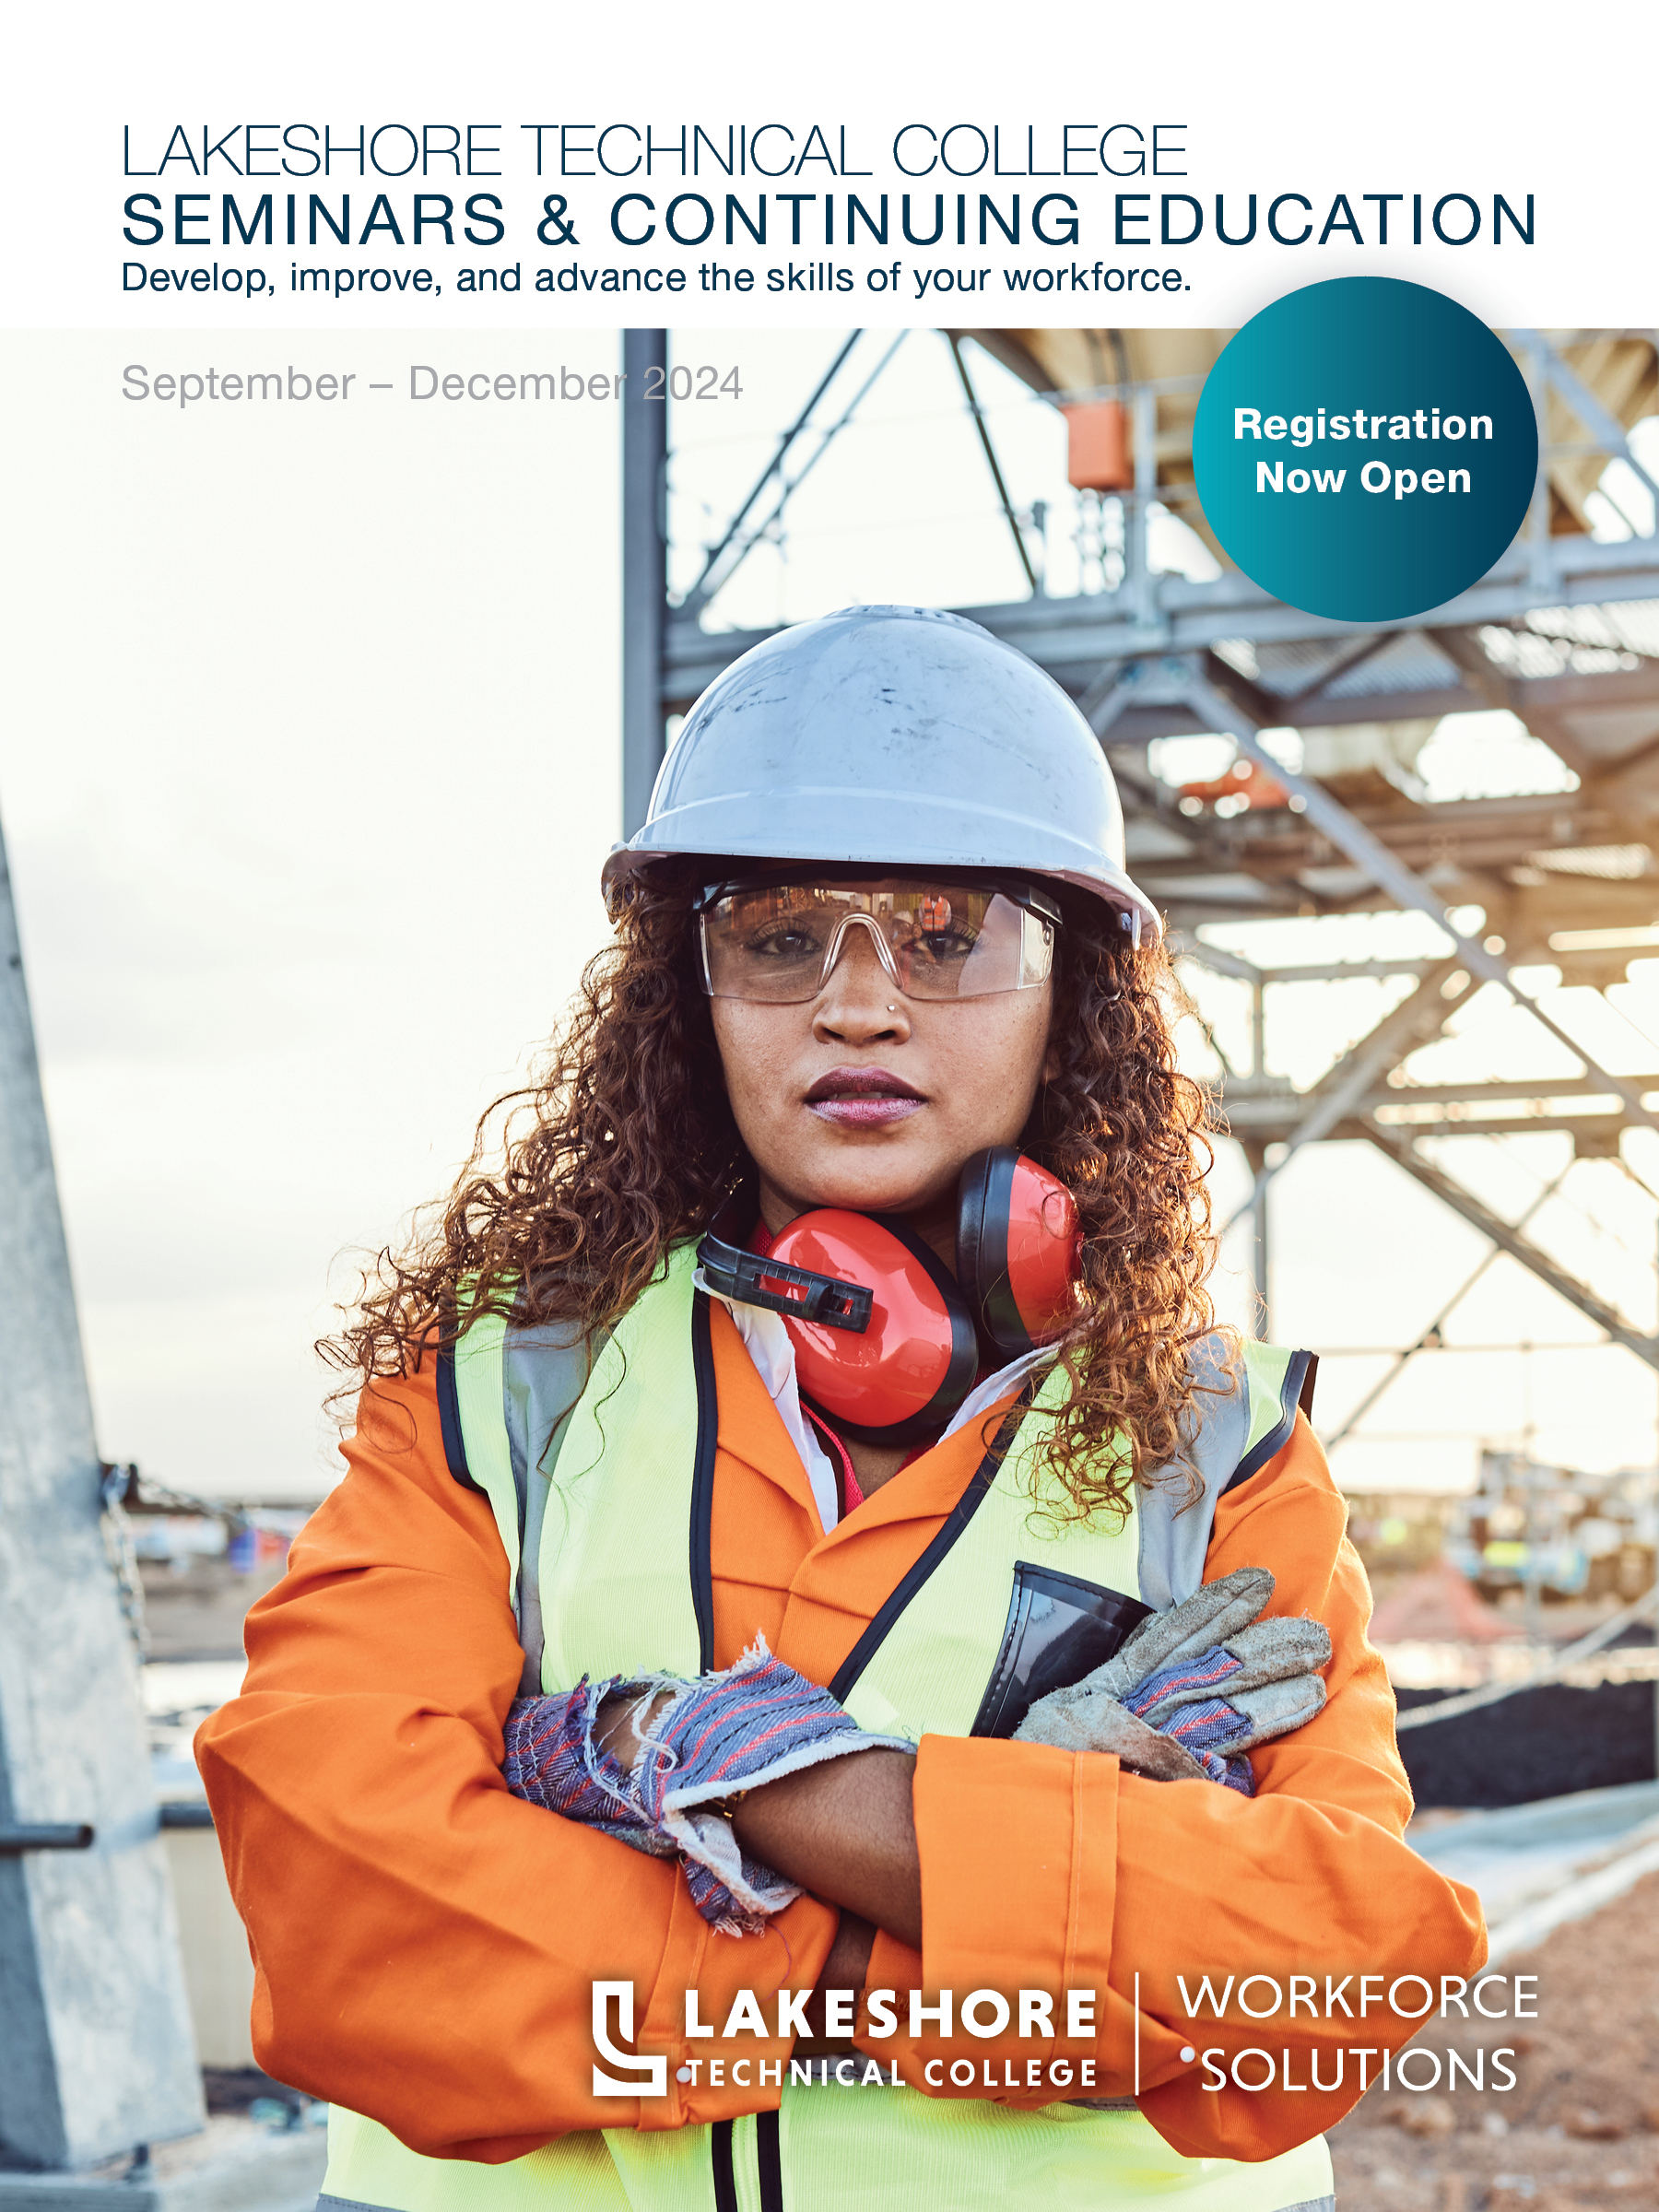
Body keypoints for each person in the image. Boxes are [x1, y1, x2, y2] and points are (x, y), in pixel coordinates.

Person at [198, 605, 1485, 2212]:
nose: (858, 1007)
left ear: (1070, 990)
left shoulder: (1212, 1449)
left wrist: (714, 1774)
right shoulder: (498, 1398)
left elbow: (1337, 1975)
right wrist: (992, 1879)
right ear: (695, 992)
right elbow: (346, 1914)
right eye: (780, 934)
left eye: (947, 935)